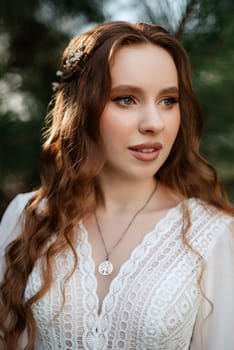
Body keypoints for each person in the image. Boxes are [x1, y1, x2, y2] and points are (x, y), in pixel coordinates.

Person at [0, 21, 233, 350]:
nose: (154, 123)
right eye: (126, 99)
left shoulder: (213, 234)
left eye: (168, 100)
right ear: (83, 108)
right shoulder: (27, 216)